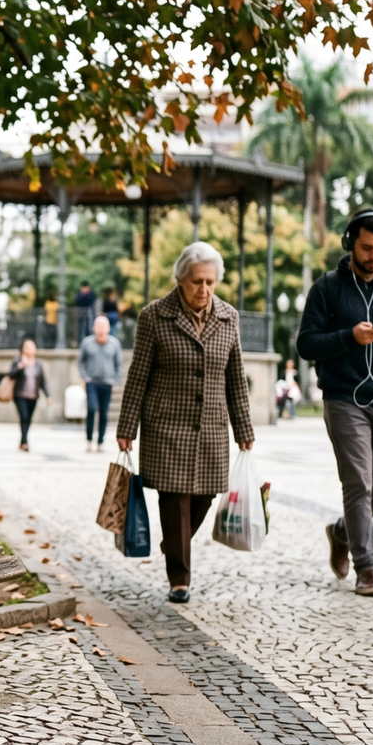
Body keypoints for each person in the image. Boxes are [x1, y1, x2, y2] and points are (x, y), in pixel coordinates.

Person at [115, 242, 255, 604]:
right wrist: (127, 427)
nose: (204, 289)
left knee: (205, 495)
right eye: (196, 281)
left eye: (210, 282)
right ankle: (179, 577)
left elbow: (235, 378)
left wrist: (244, 430)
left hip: (210, 427)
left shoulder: (228, 317)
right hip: (166, 426)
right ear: (180, 279)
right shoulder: (154, 316)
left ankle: (172, 543)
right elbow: (138, 375)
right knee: (174, 499)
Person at [296, 210, 373, 597]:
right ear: (350, 242)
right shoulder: (327, 289)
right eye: (367, 247)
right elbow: (306, 345)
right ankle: (367, 568)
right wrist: (349, 337)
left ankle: (340, 532)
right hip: (343, 399)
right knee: (358, 484)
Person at [78, 315, 122, 452]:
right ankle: (89, 439)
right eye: (99, 326)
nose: (101, 328)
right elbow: (81, 362)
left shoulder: (115, 344)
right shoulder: (87, 343)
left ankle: (100, 441)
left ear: (109, 328)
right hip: (92, 382)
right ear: (94, 328)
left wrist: (115, 380)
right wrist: (85, 377)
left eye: (104, 326)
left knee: (104, 413)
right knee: (91, 409)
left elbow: (118, 364)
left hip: (107, 383)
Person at [7, 338, 48, 452]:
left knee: (28, 419)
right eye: (27, 347)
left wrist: (47, 395)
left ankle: (22, 441)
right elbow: (11, 374)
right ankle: (25, 442)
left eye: (32, 346)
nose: (30, 349)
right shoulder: (18, 361)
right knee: (24, 417)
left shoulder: (38, 363)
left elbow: (43, 381)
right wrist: (21, 366)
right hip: (20, 395)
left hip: (33, 396)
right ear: (23, 349)